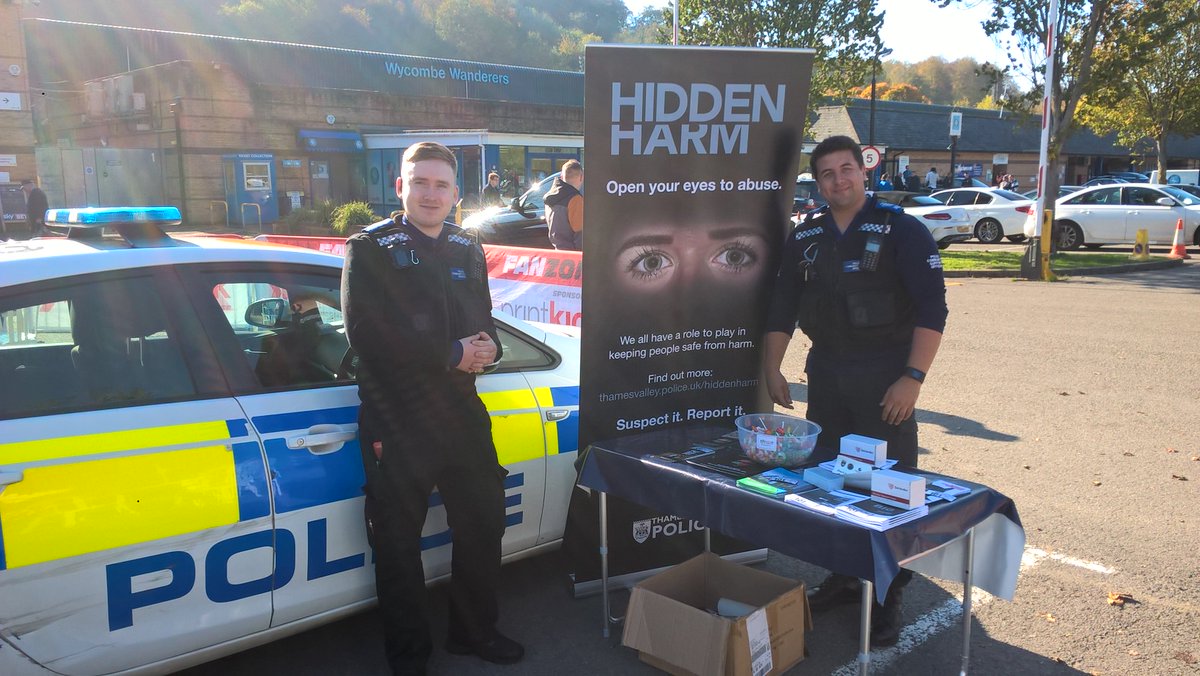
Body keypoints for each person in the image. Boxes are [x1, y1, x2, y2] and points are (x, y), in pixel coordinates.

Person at [341, 141, 523, 675]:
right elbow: (366, 333)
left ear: (457, 195)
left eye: (441, 184)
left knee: (484, 522)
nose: (430, 193)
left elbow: (483, 319)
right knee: (398, 545)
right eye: (419, 182)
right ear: (400, 187)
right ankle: (409, 659)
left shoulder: (467, 247)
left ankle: (473, 632)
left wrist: (489, 349)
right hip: (396, 418)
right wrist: (450, 354)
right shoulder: (370, 247)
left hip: (460, 413)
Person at [763, 135, 948, 647]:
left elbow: (933, 308)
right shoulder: (806, 237)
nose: (838, 180)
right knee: (832, 483)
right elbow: (783, 304)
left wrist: (912, 379)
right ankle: (845, 577)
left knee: (888, 491)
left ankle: (887, 597)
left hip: (885, 379)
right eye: (827, 174)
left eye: (846, 169)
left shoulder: (900, 230)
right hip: (827, 374)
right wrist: (773, 367)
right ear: (817, 183)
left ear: (862, 171)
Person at [545, 159, 584, 250]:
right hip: (573, 256)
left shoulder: (549, 197)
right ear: (581, 177)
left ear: (562, 176)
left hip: (558, 252)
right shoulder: (575, 199)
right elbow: (580, 234)